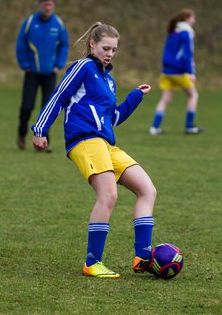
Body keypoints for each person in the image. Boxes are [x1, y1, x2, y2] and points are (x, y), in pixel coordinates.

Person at [32, 22, 157, 278]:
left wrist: (134, 97)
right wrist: (41, 129)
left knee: (147, 190)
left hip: (106, 143)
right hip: (85, 141)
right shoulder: (83, 67)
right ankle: (92, 262)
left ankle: (143, 257)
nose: (110, 53)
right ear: (92, 45)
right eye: (105, 48)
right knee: (108, 195)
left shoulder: (108, 81)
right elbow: (59, 96)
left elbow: (113, 119)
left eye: (114, 49)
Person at [16, 0, 69, 151]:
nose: (48, 7)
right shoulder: (30, 22)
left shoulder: (58, 24)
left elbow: (64, 45)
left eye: (50, 4)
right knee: (27, 106)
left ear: (53, 5)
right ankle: (21, 133)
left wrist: (59, 63)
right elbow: (21, 44)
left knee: (47, 109)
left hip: (50, 74)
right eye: (45, 4)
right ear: (40, 5)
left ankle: (44, 143)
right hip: (32, 73)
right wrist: (25, 64)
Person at [149, 8, 202, 135]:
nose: (194, 20)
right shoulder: (186, 33)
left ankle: (154, 127)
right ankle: (189, 127)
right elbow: (187, 55)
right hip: (180, 71)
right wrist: (191, 72)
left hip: (167, 71)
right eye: (192, 18)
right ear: (187, 19)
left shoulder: (172, 32)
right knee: (193, 95)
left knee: (165, 99)